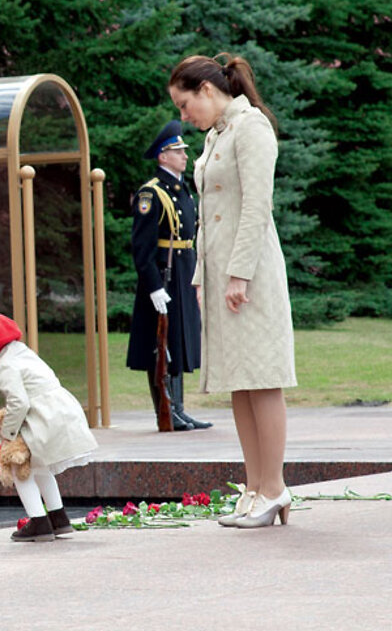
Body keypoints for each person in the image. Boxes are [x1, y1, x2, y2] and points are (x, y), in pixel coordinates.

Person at [168, 53, 297, 529]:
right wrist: (204, 276)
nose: (184, 117)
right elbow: (206, 216)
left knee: (262, 377)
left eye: (185, 105)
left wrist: (239, 273)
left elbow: (256, 206)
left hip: (253, 271)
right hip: (223, 273)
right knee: (239, 382)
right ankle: (256, 487)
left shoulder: (251, 127)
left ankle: (275, 485)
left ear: (206, 90)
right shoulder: (216, 135)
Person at [0, 311, 98, 542]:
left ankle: (38, 523)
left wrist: (7, 435)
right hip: (61, 412)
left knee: (19, 468)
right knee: (40, 466)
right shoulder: (22, 352)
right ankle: (59, 518)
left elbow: (19, 402)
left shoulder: (4, 366)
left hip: (45, 419)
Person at [126, 120, 211, 432]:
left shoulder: (179, 188)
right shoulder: (152, 194)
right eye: (178, 151)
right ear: (163, 156)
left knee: (178, 341)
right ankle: (167, 410)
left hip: (183, 269)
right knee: (161, 346)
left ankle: (180, 410)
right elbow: (142, 248)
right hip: (164, 275)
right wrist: (154, 288)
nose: (185, 156)